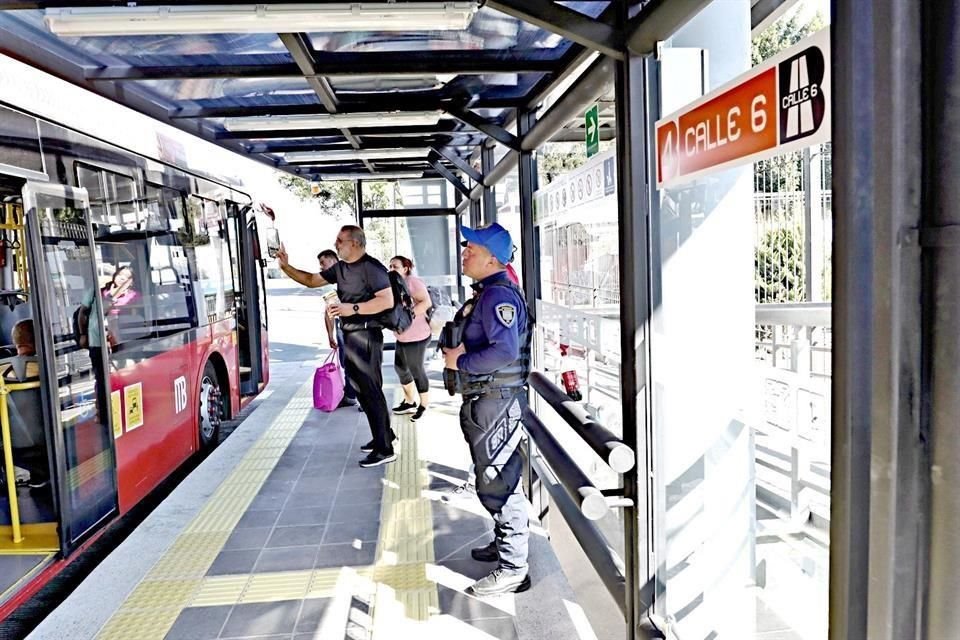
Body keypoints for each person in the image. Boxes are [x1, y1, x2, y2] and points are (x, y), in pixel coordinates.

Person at [442, 222, 532, 597]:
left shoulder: (498, 296)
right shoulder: (487, 293)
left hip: (497, 400)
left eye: (472, 250)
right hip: (488, 399)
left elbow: (505, 351)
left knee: (500, 479)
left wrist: (459, 362)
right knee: (492, 475)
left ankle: (514, 568)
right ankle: (505, 546)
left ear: (492, 259)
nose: (465, 253)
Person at [277, 226, 397, 468]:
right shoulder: (341, 268)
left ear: (354, 243)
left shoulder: (371, 267)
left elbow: (386, 300)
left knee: (371, 390)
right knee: (360, 389)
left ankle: (385, 448)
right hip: (351, 335)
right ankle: (383, 435)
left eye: (340, 240)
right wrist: (286, 266)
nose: (336, 243)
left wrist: (351, 309)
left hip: (366, 335)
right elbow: (311, 280)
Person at [387, 256, 432, 421]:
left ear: (405, 268)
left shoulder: (412, 282)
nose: (391, 269)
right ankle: (409, 401)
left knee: (416, 370)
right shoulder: (392, 283)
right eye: (390, 266)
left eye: (395, 266)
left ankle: (423, 405)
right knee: (400, 368)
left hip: (417, 335)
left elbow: (426, 302)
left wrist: (408, 315)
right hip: (402, 336)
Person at [318, 250, 359, 409]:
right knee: (347, 362)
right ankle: (350, 395)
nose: (321, 267)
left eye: (323, 263)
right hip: (343, 325)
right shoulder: (329, 282)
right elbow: (329, 311)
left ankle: (359, 397)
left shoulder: (339, 279)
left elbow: (331, 310)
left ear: (333, 261)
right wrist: (330, 334)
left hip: (352, 326)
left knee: (353, 363)